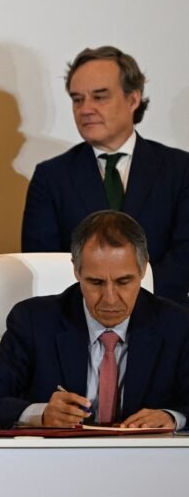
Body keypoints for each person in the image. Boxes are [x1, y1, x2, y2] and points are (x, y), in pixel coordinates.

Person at [0, 211, 189, 429]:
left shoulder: (178, 326)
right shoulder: (33, 322)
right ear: (76, 270)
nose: (110, 299)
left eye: (123, 282)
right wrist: (40, 414)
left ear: (142, 270)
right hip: (58, 453)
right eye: (96, 283)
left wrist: (173, 417)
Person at [22, 46, 189, 306]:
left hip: (164, 316)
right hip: (80, 319)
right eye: (77, 99)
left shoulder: (180, 169)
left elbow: (184, 255)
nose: (85, 109)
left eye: (99, 97)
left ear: (133, 99)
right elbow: (44, 263)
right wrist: (100, 305)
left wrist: (132, 301)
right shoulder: (51, 177)